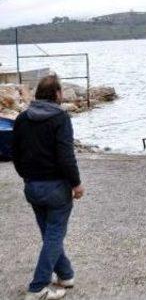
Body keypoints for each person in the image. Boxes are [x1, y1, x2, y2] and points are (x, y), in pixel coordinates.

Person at [13, 74, 85, 300]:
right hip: (56, 188)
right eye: (61, 90)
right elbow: (66, 156)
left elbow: (15, 153)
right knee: (54, 234)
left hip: (32, 186)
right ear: (56, 94)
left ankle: (65, 275)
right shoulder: (60, 118)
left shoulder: (22, 119)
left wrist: (27, 177)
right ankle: (37, 288)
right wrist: (76, 183)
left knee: (50, 233)